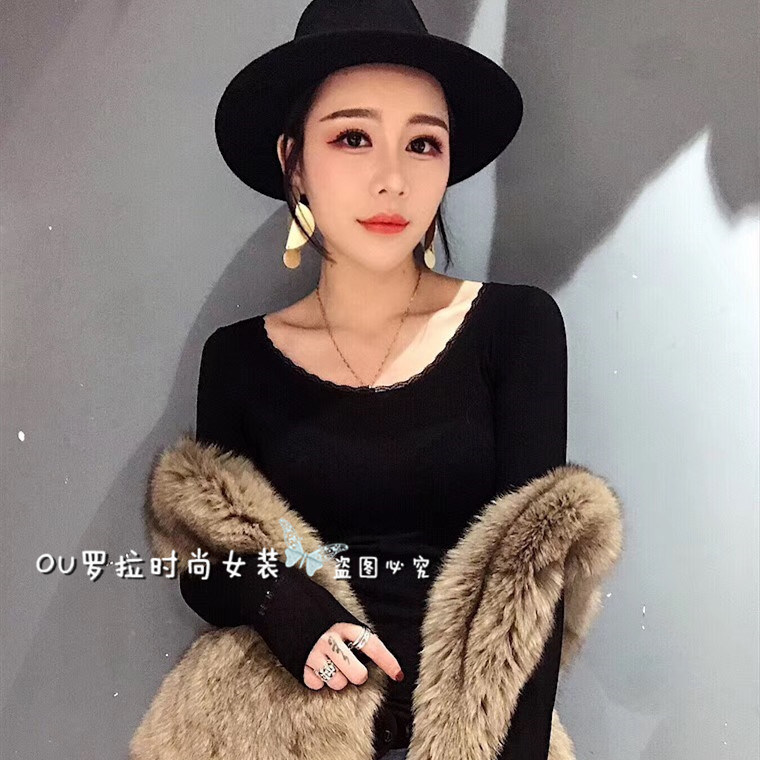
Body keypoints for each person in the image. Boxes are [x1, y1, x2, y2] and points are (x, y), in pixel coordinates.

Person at [179, 1, 566, 758]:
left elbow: (531, 585)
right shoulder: (239, 359)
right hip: (285, 736)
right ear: (294, 160)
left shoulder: (514, 330)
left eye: (423, 143)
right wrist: (287, 605)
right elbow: (206, 561)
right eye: (353, 137)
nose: (393, 180)